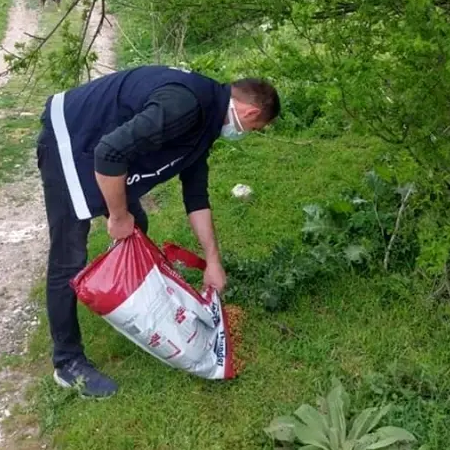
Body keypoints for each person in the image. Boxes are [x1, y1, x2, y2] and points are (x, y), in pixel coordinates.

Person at [37, 65, 280, 397]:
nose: (248, 133)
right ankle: (67, 363)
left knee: (138, 225)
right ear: (251, 112)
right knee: (69, 256)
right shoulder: (186, 105)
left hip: (103, 146)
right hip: (72, 138)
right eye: (255, 128)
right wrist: (118, 216)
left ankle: (119, 293)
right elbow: (108, 152)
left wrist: (213, 261)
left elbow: (196, 198)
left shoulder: (207, 120)